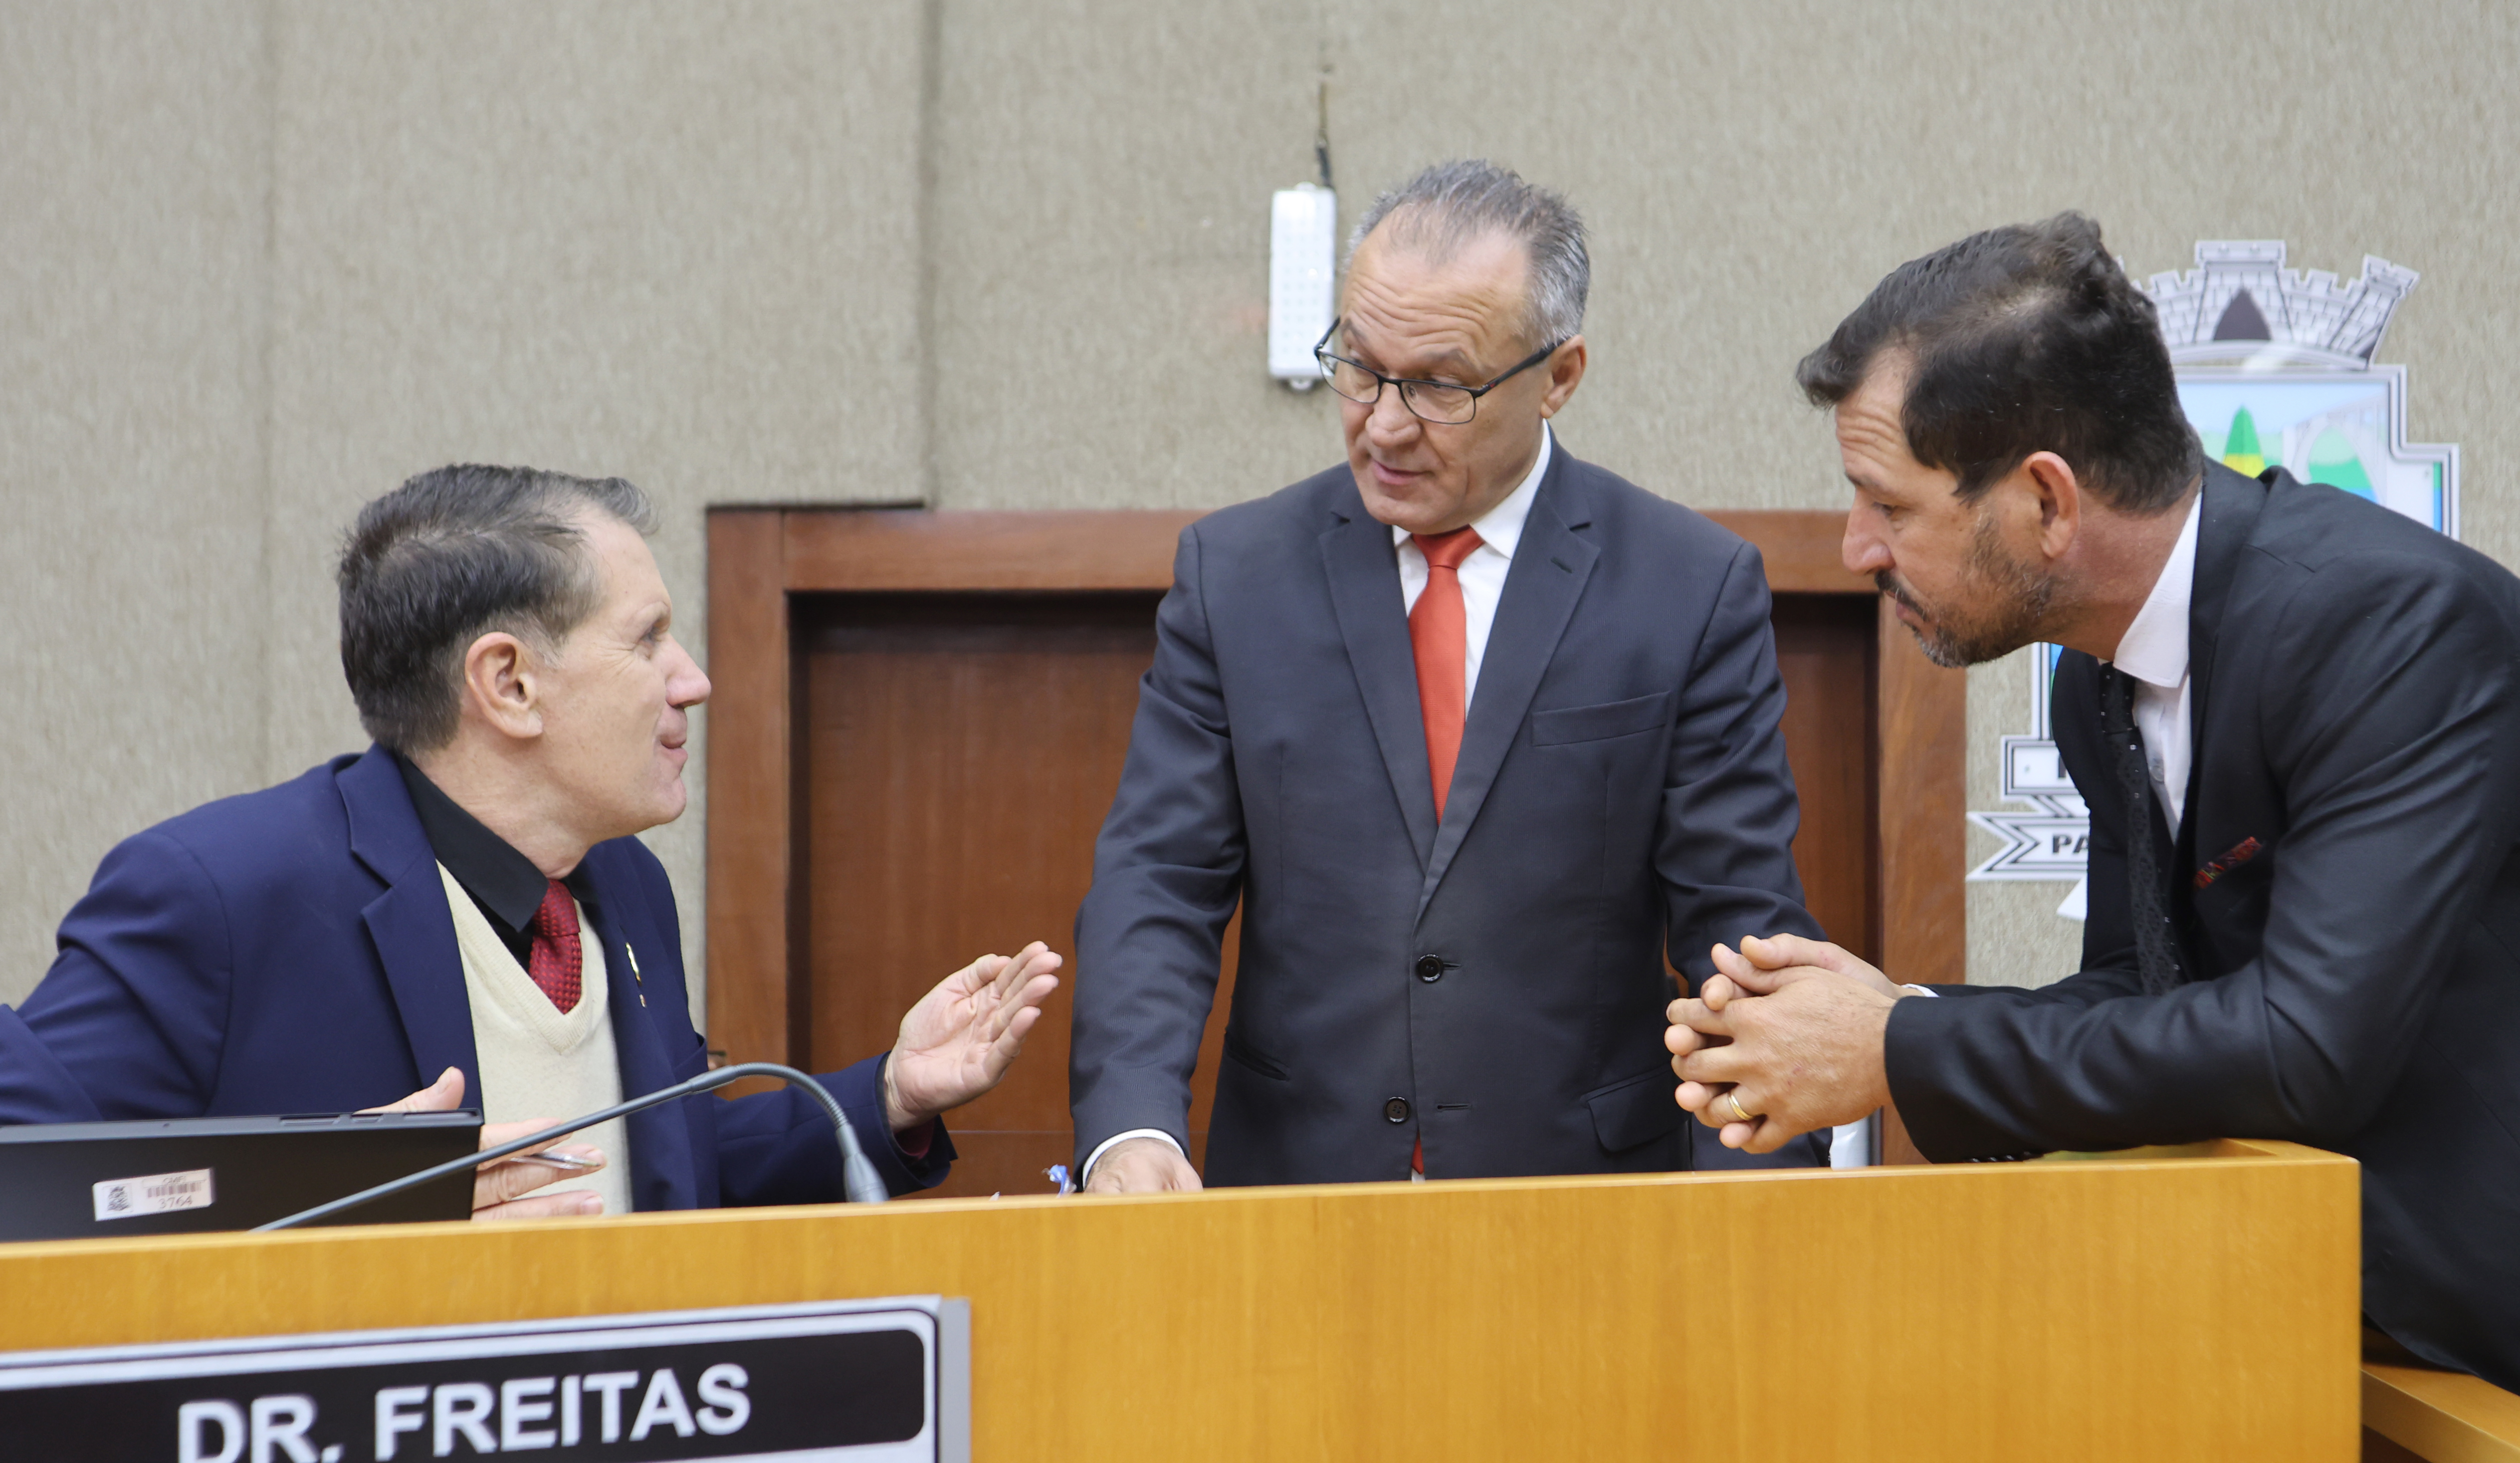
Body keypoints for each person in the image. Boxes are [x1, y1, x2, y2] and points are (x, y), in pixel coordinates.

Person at [1665, 214, 2520, 1388]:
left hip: (2478, 1342)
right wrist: (1889, 1009)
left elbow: (2304, 1045)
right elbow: (2144, 990)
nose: (1859, 546)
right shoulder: (2092, 684)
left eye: (1890, 505)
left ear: (2048, 504)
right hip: (2312, 1321)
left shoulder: (2390, 629)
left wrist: (1901, 1045)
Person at [0, 465, 1060, 1217]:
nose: (694, 678)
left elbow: (658, 1166)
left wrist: (887, 1095)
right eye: (647, 639)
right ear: (508, 684)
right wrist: (339, 1204)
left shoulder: (627, 887)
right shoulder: (220, 893)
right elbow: (39, 1180)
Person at [1071, 160, 1825, 1192]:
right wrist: (1132, 1126)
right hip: (1299, 1188)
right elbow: (1161, 877)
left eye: (1438, 384)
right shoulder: (1233, 577)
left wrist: (1755, 1188)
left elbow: (1734, 918)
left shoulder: (1687, 587)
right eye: (1360, 367)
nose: (1383, 423)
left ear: (1559, 376)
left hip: (1584, 1200)